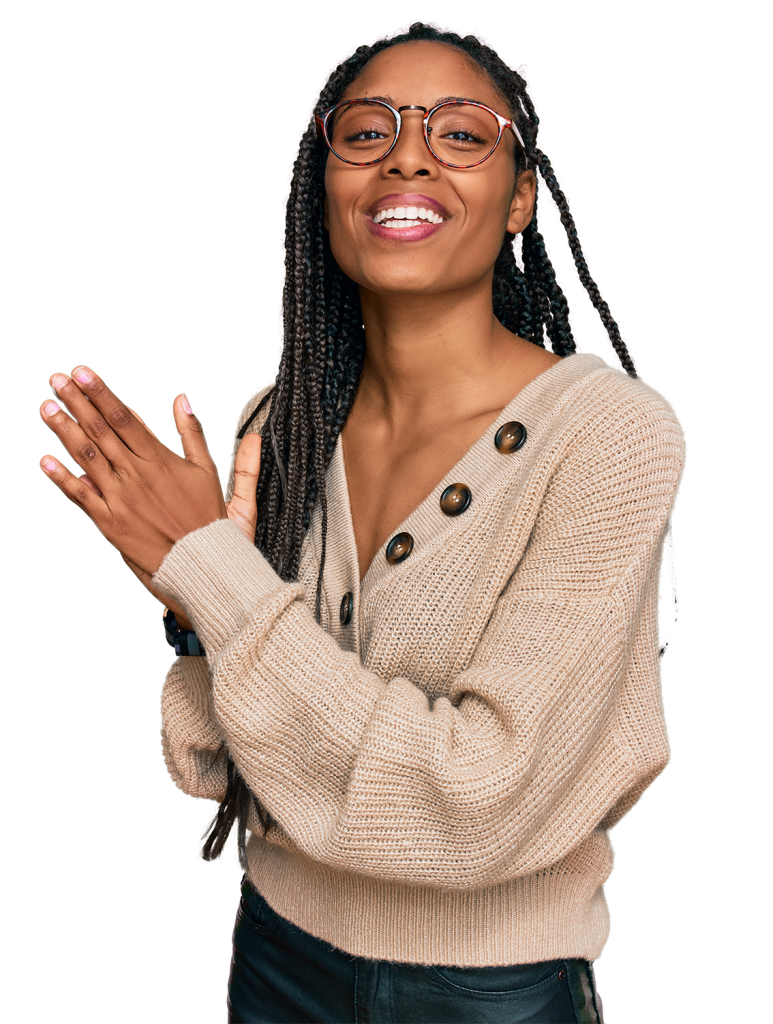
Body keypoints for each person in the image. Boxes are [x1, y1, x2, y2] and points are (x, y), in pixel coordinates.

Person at [155, 20, 686, 1023]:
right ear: (326, 189)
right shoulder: (284, 421)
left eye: (459, 132)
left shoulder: (605, 435)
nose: (405, 152)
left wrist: (214, 574)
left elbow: (474, 801)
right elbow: (209, 768)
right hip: (274, 955)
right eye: (366, 133)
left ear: (521, 195)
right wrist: (198, 594)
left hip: (489, 993)